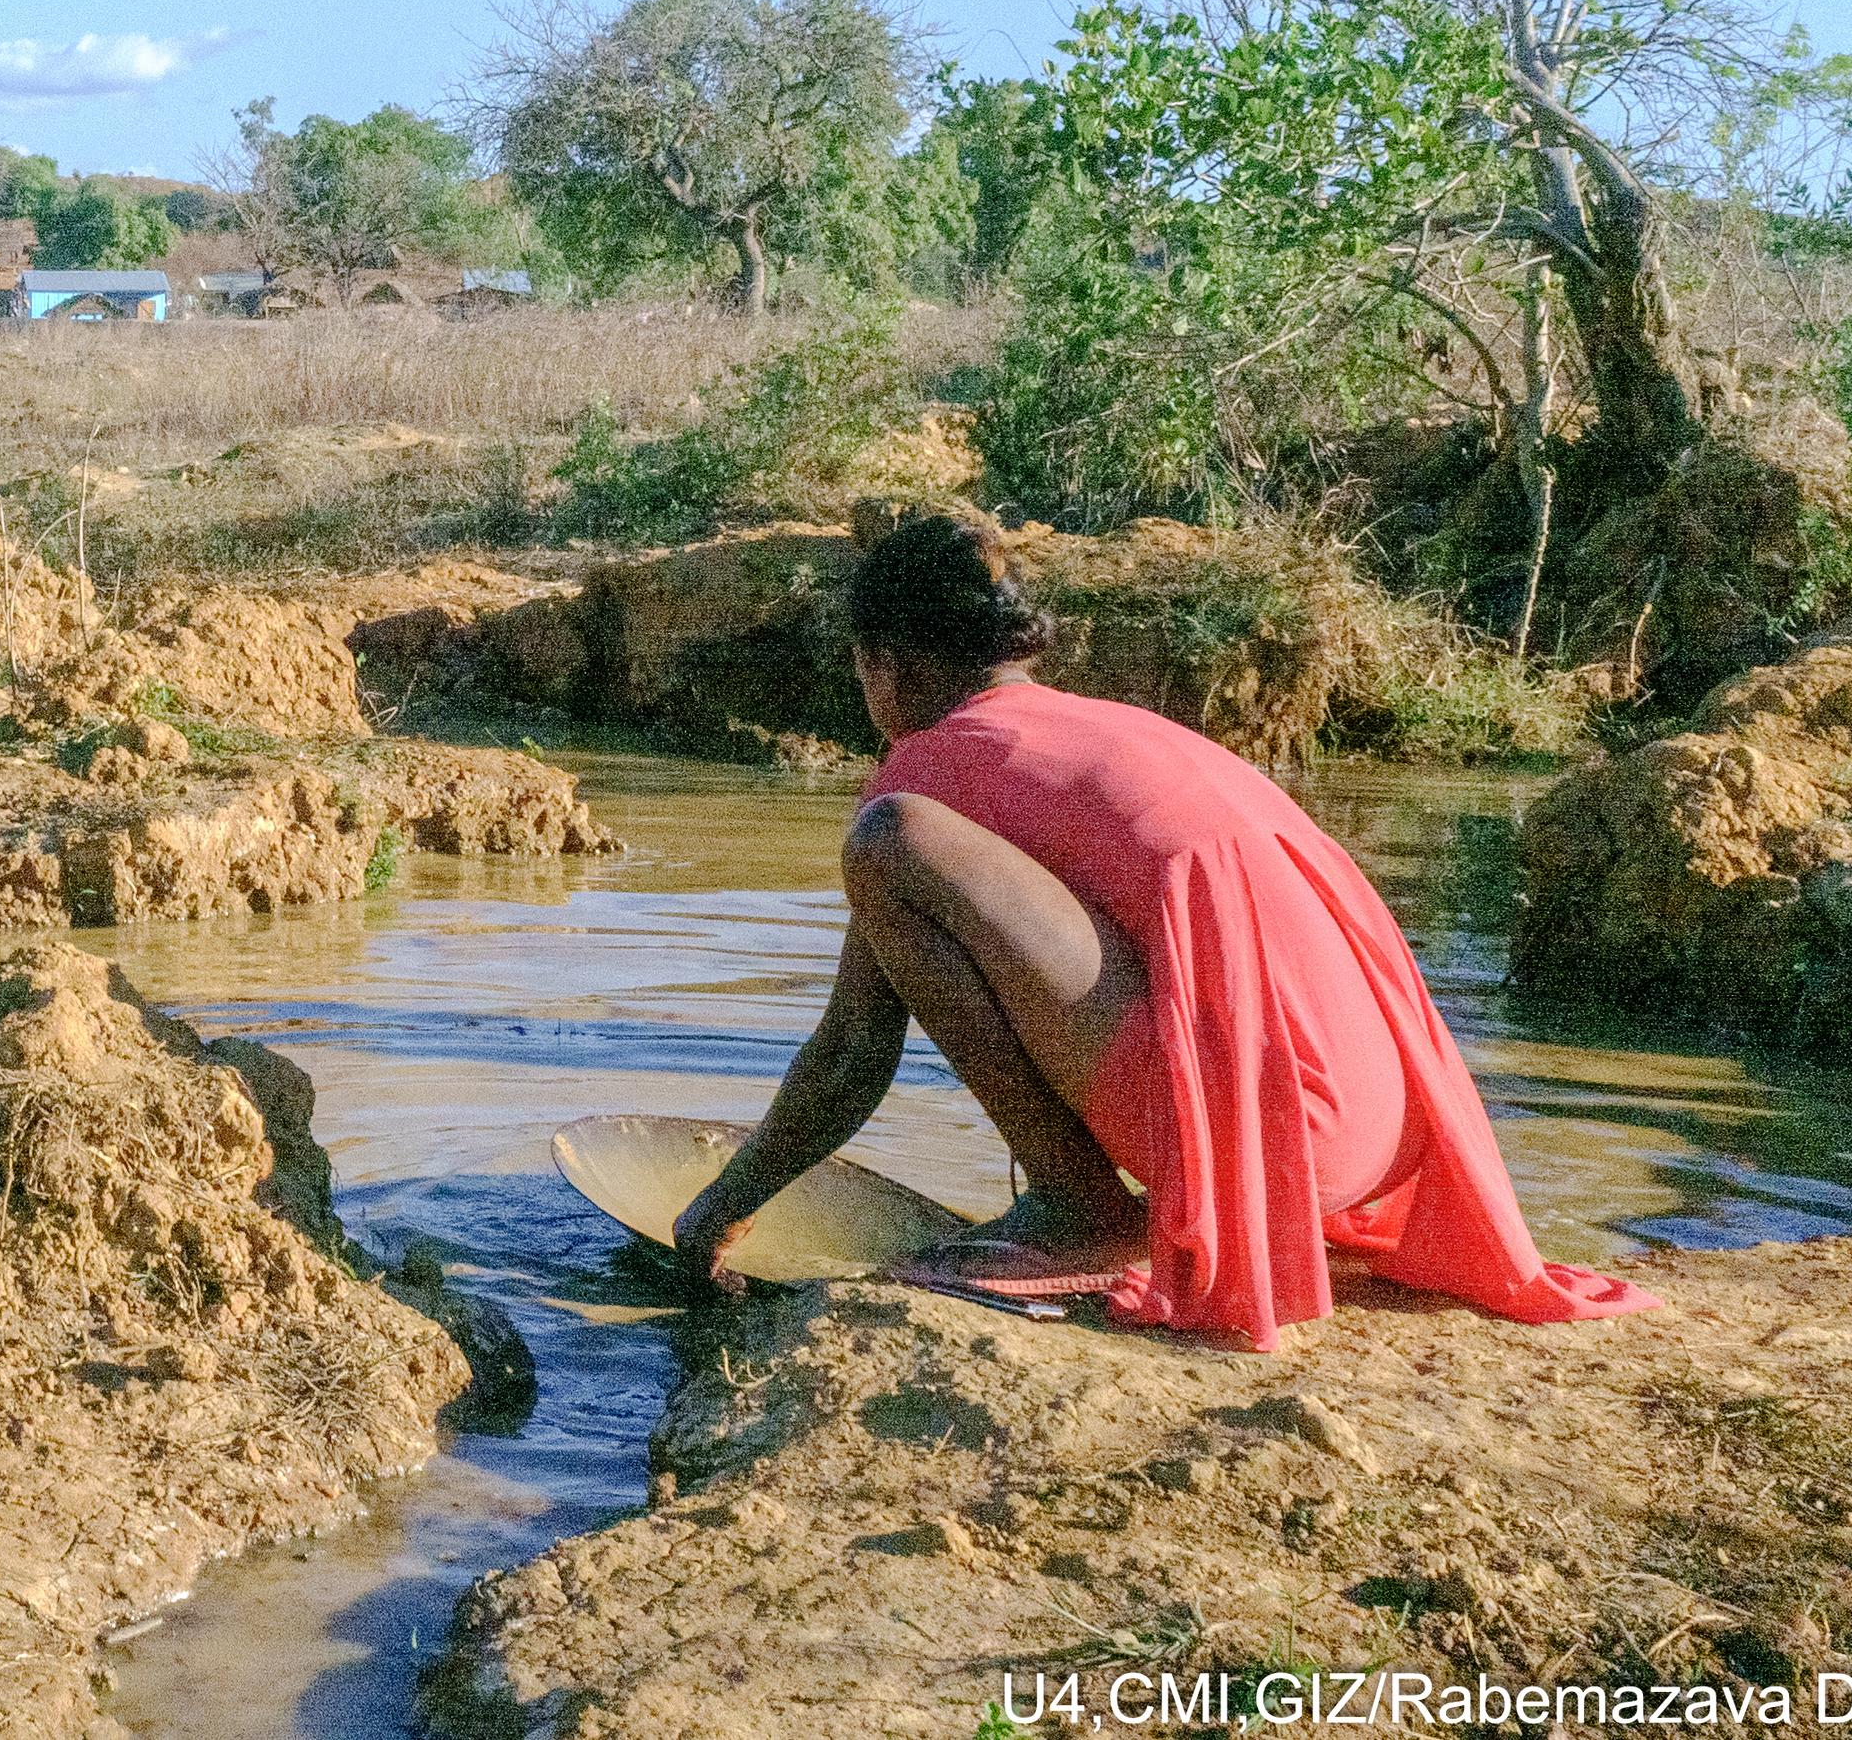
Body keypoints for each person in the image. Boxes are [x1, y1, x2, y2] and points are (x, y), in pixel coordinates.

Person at [672, 513, 1652, 1352]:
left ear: (886, 664)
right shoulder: (1115, 730)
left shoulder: (924, 771)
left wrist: (721, 1207)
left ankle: (1078, 1210)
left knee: (889, 843)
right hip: (1385, 1138)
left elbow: (851, 1052)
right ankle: (1085, 1203)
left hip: (1285, 1146)